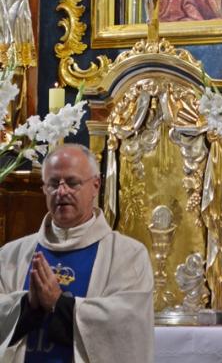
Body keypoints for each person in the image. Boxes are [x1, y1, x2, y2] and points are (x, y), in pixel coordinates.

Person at [0, 144, 154, 362]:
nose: (62, 192)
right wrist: (26, 305)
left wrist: (59, 304)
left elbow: (127, 325)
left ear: (95, 186)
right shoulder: (11, 255)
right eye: (53, 184)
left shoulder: (128, 255)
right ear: (44, 189)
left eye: (72, 183)